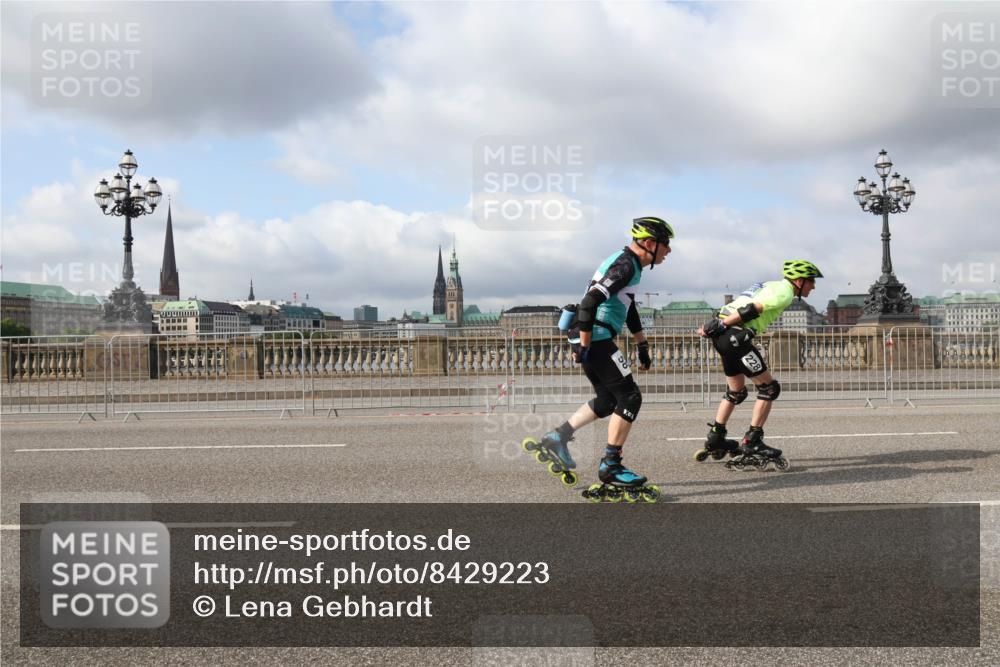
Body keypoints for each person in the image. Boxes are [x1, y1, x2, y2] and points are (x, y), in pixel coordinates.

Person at [522, 216, 673, 501]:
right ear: (649, 243)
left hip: (591, 335)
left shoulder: (630, 265)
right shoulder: (625, 265)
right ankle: (611, 466)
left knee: (607, 400)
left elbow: (628, 308)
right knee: (630, 397)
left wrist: (642, 344)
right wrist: (585, 345)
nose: (669, 250)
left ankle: (558, 437)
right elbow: (590, 301)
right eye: (666, 244)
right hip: (596, 336)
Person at [695, 259, 823, 470]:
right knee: (769, 388)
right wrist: (722, 324)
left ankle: (716, 436)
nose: (814, 286)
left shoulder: (767, 285)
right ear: (799, 281)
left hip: (723, 337)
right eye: (811, 281)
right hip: (735, 337)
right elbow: (753, 309)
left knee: (736, 392)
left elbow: (736, 305)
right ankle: (752, 441)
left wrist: (715, 324)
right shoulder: (785, 292)